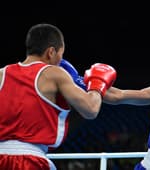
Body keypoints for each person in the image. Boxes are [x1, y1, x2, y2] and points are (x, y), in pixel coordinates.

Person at [0, 23, 117, 170]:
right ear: (51, 52)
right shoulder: (54, 73)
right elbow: (91, 109)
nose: (61, 61)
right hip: (31, 161)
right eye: (61, 55)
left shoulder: (2, 73)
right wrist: (97, 85)